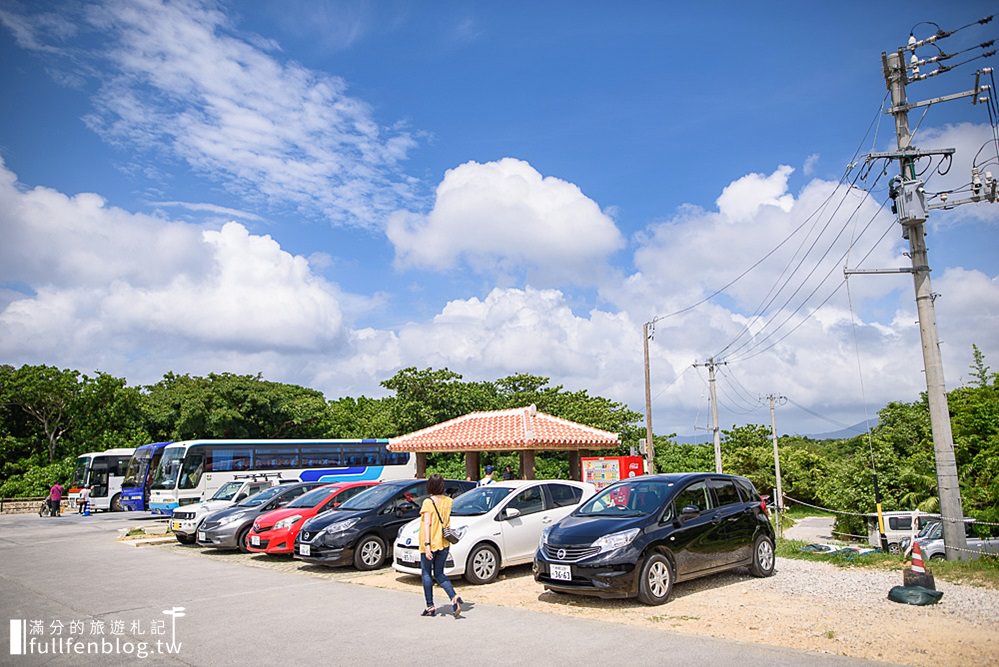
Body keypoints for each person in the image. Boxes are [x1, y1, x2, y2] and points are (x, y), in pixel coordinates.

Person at [419, 474, 462, 618]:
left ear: (430, 486)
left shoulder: (427, 502)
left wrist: (427, 544)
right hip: (444, 542)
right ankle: (453, 597)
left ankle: (430, 605)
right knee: (439, 573)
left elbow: (427, 523)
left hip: (431, 542)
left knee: (426, 573)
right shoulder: (448, 501)